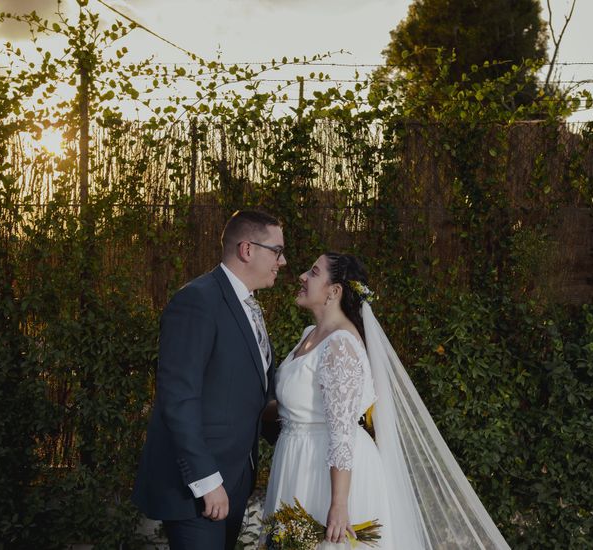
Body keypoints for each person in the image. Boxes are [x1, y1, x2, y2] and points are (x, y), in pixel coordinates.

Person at [263, 252, 510, 549]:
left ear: (334, 291)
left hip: (328, 473)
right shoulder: (310, 335)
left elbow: (342, 434)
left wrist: (339, 504)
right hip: (298, 460)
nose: (302, 276)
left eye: (313, 272)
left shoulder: (340, 345)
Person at [132, 210, 286, 550]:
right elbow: (178, 398)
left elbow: (249, 397)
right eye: (277, 251)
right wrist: (205, 480)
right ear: (247, 250)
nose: (283, 261)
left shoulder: (249, 305)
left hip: (235, 480)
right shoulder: (197, 300)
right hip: (197, 486)